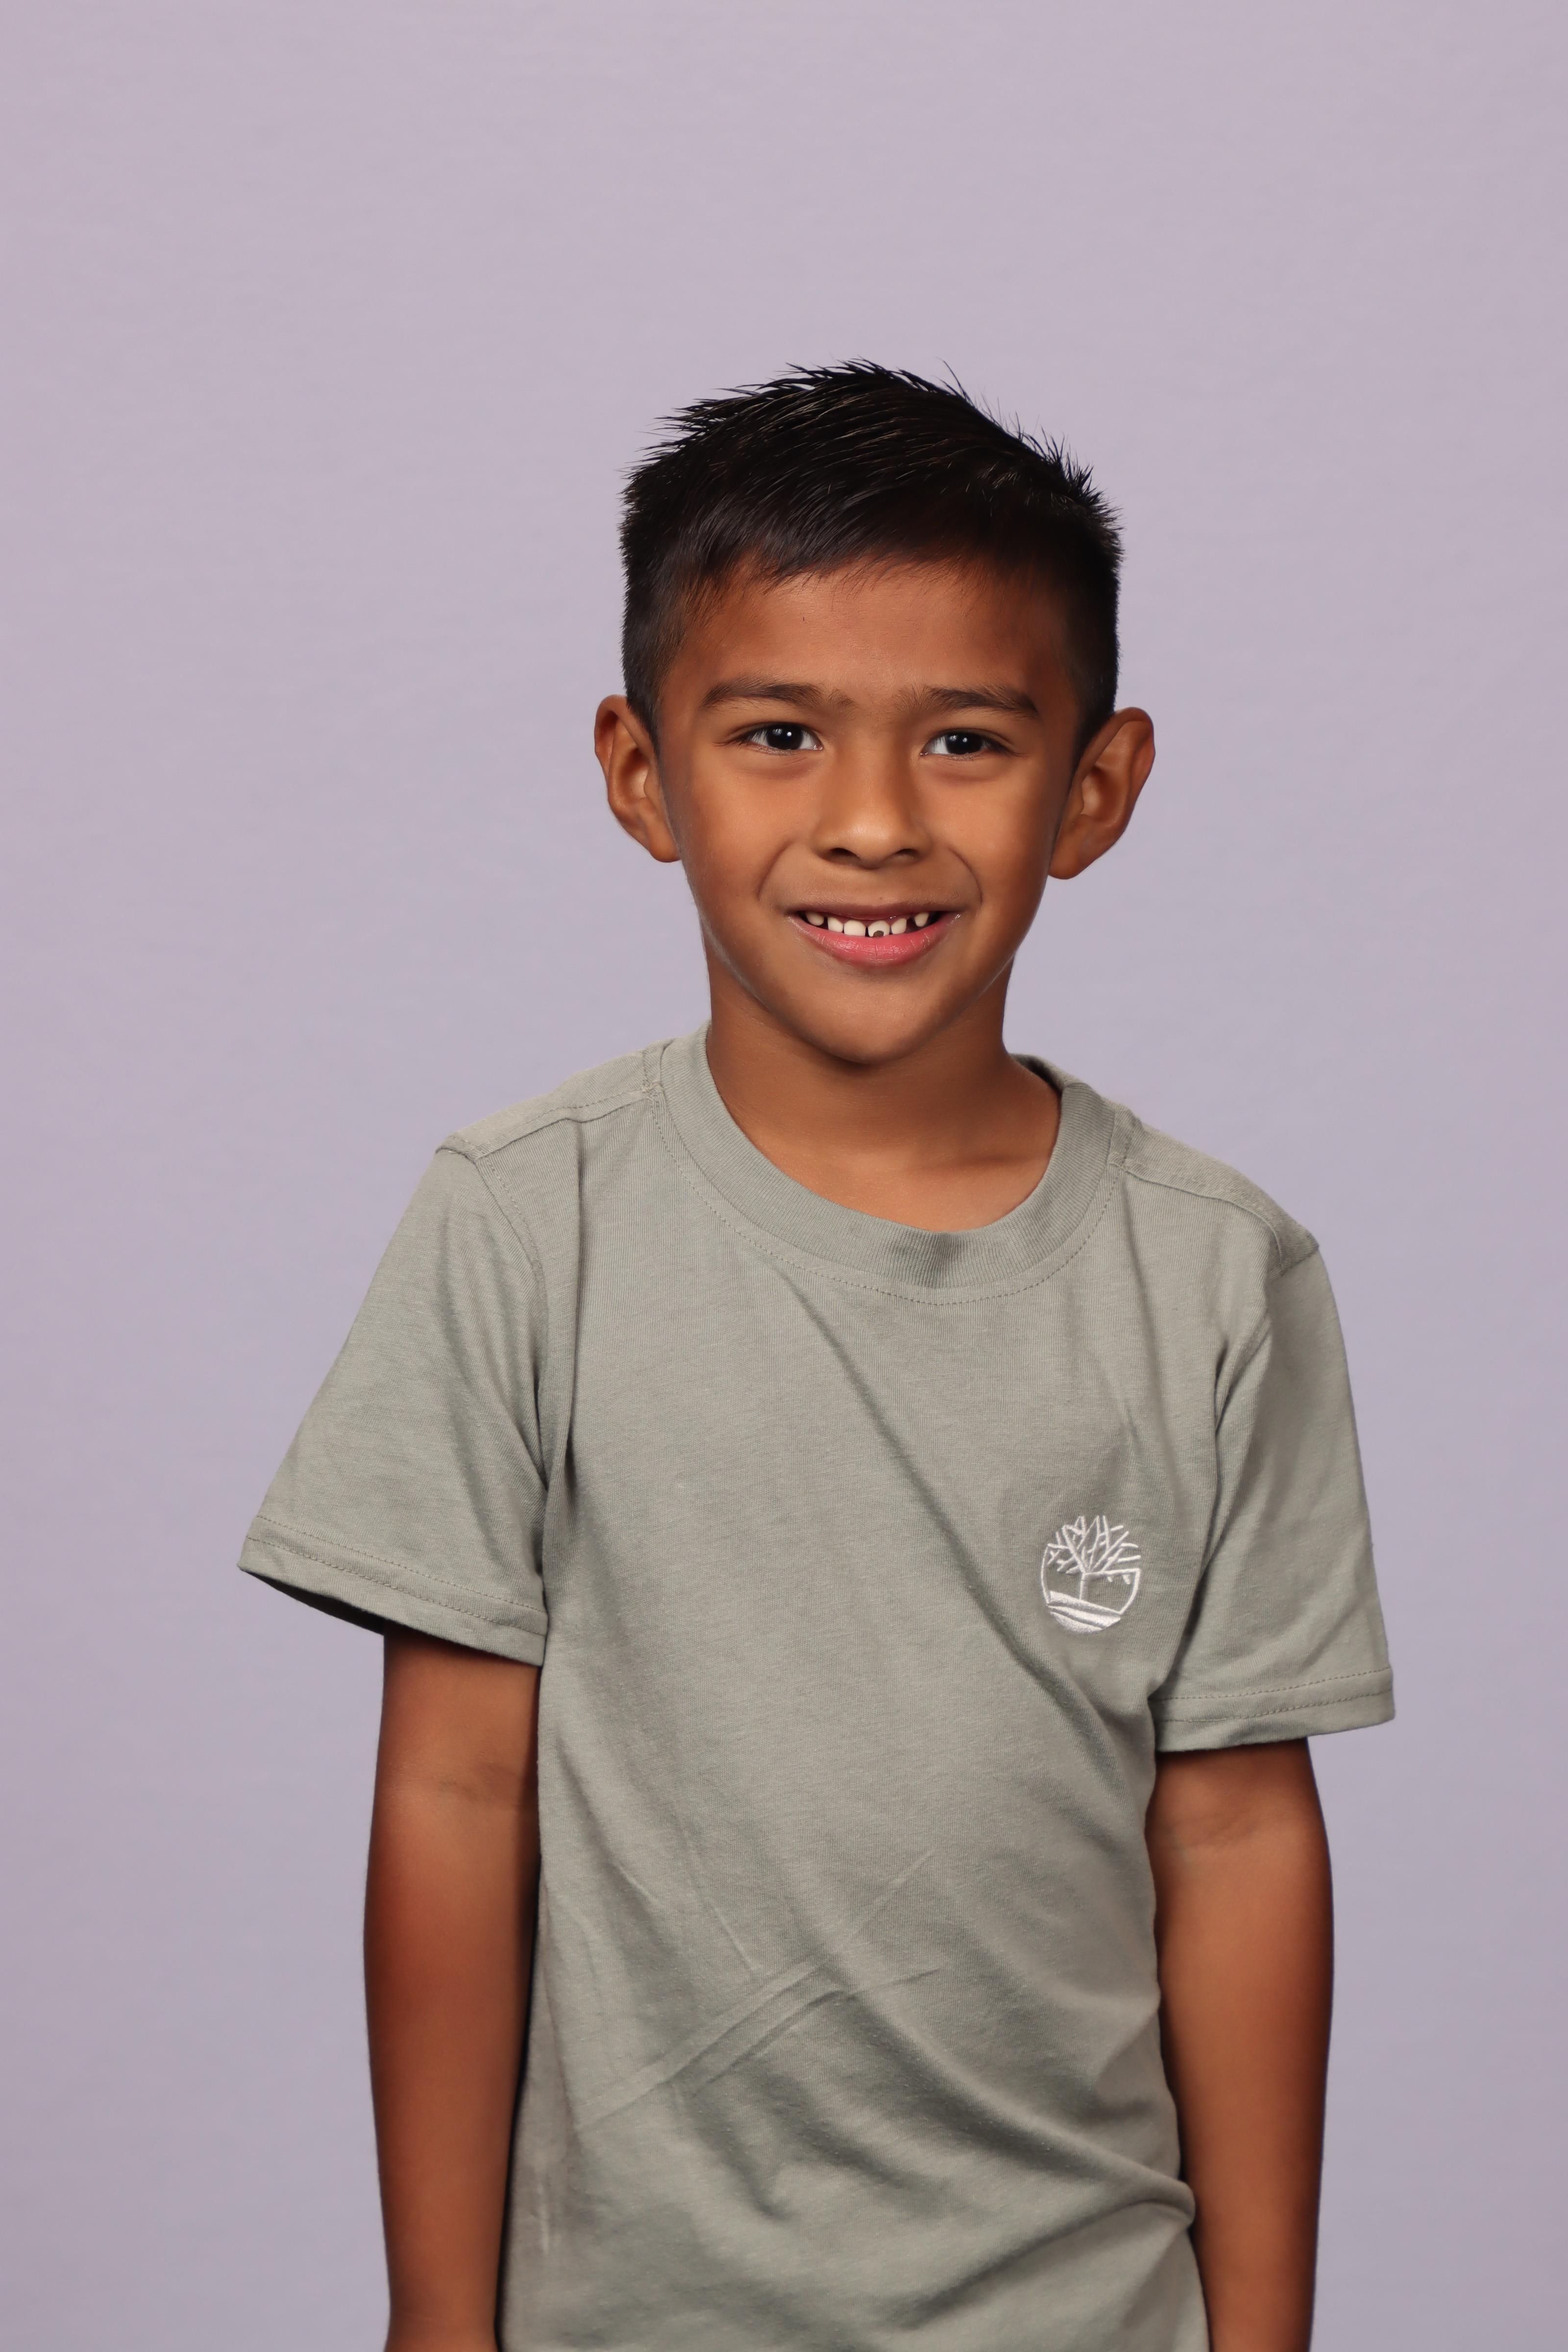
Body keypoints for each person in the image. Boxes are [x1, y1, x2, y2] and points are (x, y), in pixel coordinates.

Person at [240, 363, 1393, 2352]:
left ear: (1093, 787)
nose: (871, 823)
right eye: (777, 735)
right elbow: (452, 1792)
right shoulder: (525, 1221)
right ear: (642, 774)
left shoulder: (1219, 1275)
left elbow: (1230, 1832)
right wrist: (437, 2325)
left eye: (964, 740)